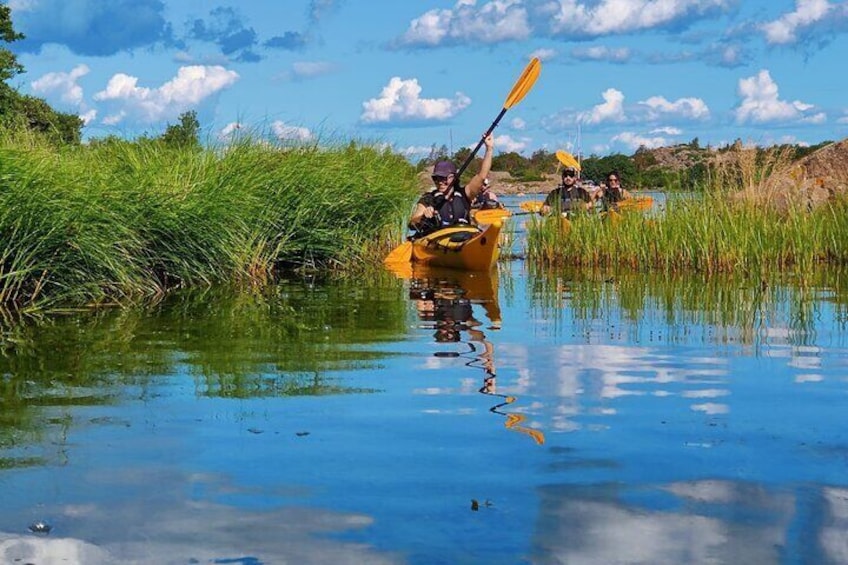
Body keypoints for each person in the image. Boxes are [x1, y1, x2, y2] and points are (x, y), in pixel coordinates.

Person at [408, 133, 495, 235]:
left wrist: (489, 149)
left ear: (453, 178)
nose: (440, 182)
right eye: (436, 178)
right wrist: (422, 217)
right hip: (437, 241)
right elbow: (412, 222)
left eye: (443, 178)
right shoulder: (428, 199)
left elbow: (481, 176)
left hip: (463, 239)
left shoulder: (464, 194)